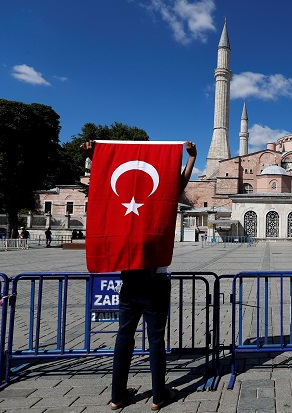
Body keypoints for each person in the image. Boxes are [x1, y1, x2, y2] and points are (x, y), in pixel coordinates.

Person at [81, 140, 196, 410]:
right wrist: (191, 158)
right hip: (153, 282)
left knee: (124, 336)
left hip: (129, 282)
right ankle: (158, 397)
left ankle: (117, 396)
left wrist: (92, 160)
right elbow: (178, 186)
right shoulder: (155, 204)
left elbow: (101, 186)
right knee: (156, 338)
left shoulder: (124, 212)